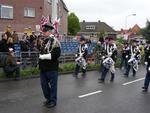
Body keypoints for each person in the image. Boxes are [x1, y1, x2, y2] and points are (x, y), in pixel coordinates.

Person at [39, 23, 61, 108]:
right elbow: (41, 52)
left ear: (49, 31)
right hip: (43, 68)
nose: (43, 33)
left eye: (44, 31)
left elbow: (56, 55)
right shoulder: (45, 41)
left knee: (53, 86)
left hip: (52, 68)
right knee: (44, 85)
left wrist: (43, 56)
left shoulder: (55, 41)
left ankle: (53, 101)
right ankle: (48, 99)